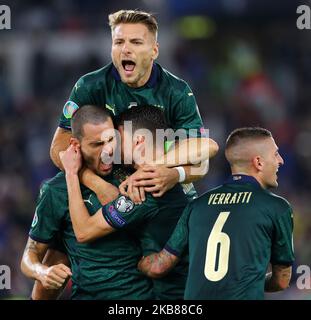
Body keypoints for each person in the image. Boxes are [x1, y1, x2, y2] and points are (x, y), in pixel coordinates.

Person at [50, 9, 218, 205]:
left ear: (154, 50)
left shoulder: (176, 91)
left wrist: (171, 174)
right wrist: (96, 183)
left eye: (136, 42)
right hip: (110, 189)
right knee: (52, 190)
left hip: (160, 191)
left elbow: (201, 155)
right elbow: (59, 146)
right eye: (119, 42)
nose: (125, 49)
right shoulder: (90, 86)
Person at [59, 105, 218, 299]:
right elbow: (207, 145)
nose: (112, 148)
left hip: (175, 296)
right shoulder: (168, 169)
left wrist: (71, 173)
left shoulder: (144, 187)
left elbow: (84, 232)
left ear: (139, 141)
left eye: (119, 139)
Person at [138, 127, 295, 300]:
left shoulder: (196, 206)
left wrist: (136, 261)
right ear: (258, 162)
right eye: (275, 154)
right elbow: (281, 280)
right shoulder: (277, 207)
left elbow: (159, 266)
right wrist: (246, 282)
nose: (280, 160)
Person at [21, 105, 154, 300]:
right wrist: (42, 272)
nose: (108, 150)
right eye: (97, 144)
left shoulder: (132, 174)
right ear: (75, 145)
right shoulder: (55, 190)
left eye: (111, 140)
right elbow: (29, 256)